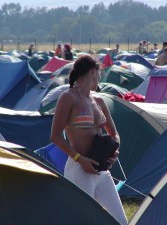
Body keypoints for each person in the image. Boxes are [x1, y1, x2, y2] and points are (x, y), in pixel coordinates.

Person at [50, 55, 127, 225]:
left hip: (101, 170)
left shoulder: (98, 100)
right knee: (82, 220)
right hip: (79, 168)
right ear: (93, 72)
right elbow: (55, 136)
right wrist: (80, 159)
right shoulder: (68, 97)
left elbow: (114, 134)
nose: (100, 77)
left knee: (120, 221)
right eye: (100, 73)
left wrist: (114, 152)